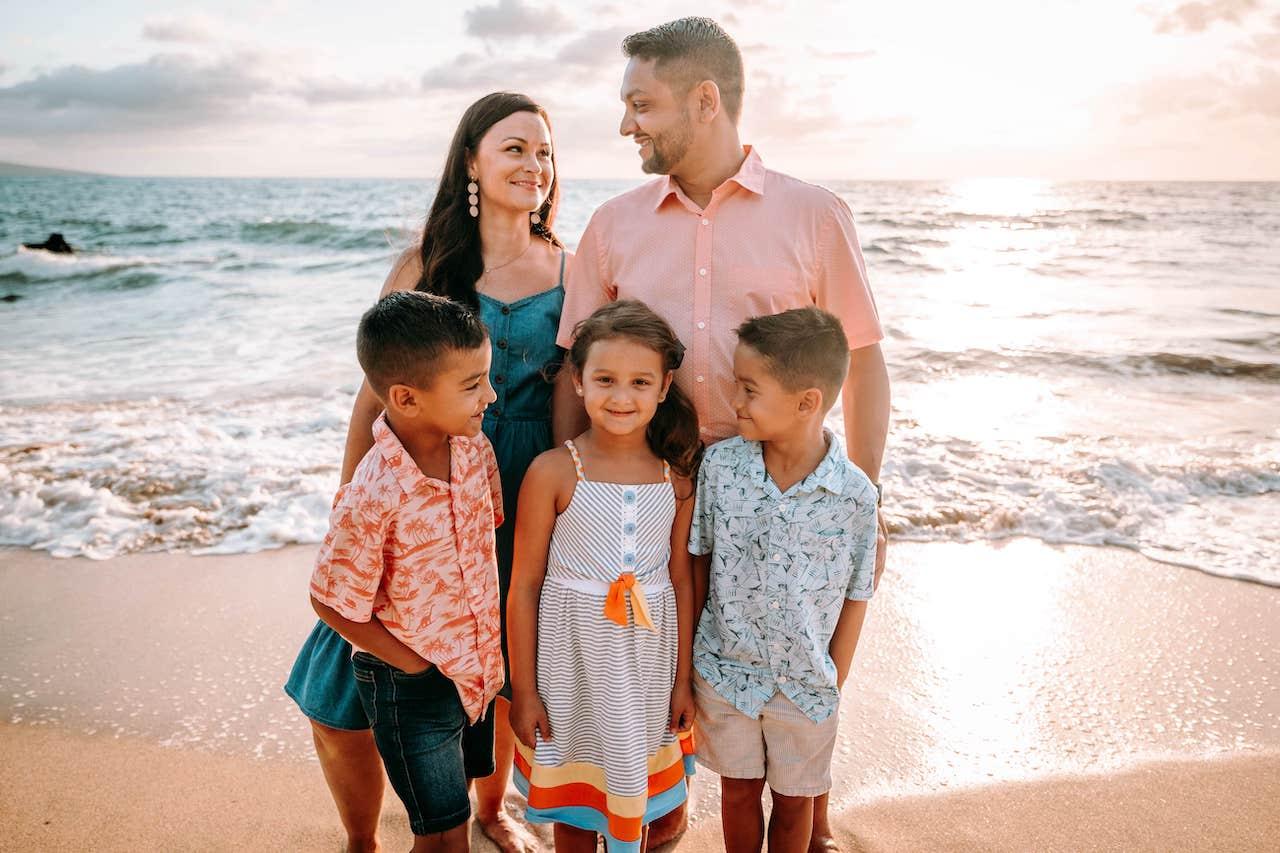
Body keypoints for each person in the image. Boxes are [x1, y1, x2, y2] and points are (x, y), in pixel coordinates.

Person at [553, 18, 891, 847]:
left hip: (782, 497)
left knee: (794, 666)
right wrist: (566, 496)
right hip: (647, 495)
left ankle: (808, 818)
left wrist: (869, 497)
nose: (627, 123)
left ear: (706, 101)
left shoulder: (814, 214)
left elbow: (862, 362)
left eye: (642, 103)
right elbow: (573, 368)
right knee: (654, 688)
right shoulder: (612, 224)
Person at [284, 91, 566, 853]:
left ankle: (491, 805)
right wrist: (352, 490)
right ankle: (359, 837)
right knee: (344, 684)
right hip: (414, 479)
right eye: (514, 148)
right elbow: (376, 388)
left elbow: (575, 390)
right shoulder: (426, 262)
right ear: (470, 160)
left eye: (543, 150)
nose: (533, 164)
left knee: (501, 653)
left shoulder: (571, 266)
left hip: (517, 482)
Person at [310, 291, 504, 852]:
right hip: (410, 683)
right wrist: (416, 665)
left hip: (477, 671)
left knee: (455, 813)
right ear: (405, 398)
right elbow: (329, 601)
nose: (489, 396)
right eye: (472, 385)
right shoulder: (374, 492)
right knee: (438, 834)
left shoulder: (475, 451)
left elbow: (485, 529)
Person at [507, 300, 700, 852]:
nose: (622, 397)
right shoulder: (553, 472)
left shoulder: (678, 477)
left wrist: (683, 680)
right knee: (575, 804)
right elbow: (523, 587)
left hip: (647, 668)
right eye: (605, 379)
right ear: (578, 381)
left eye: (640, 382)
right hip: (573, 670)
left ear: (664, 388)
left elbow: (682, 583)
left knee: (630, 797)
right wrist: (523, 690)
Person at [690, 308, 877, 853]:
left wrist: (832, 681)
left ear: (807, 402)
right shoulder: (721, 469)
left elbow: (856, 596)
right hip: (727, 674)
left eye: (749, 390)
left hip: (808, 686)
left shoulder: (855, 497)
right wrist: (688, 668)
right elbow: (699, 563)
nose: (736, 403)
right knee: (738, 795)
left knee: (796, 806)